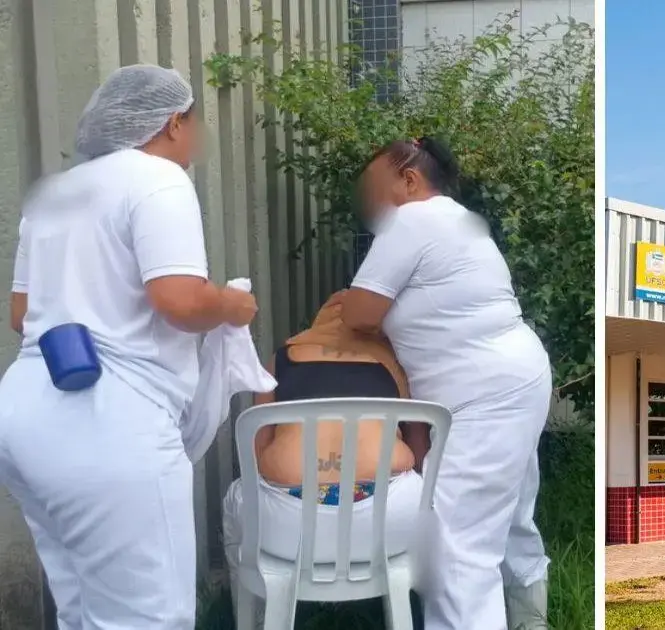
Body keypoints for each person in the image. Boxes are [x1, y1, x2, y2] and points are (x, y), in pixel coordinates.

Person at [0, 65, 258, 629]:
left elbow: (23, 315)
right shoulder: (158, 178)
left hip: (24, 414)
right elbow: (181, 301)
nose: (197, 140)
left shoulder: (55, 194)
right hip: (106, 424)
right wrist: (233, 307)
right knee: (150, 618)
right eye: (195, 124)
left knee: (83, 610)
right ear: (172, 123)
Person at [343, 137, 553, 630]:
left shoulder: (414, 218)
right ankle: (530, 619)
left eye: (377, 188)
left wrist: (353, 303)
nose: (372, 205)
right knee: (508, 516)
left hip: (487, 394)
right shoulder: (455, 219)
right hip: (509, 381)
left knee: (455, 539)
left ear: (410, 179)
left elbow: (359, 313)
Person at [221, 293, 429, 575]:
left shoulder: (281, 359)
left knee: (237, 494)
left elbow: (256, 451)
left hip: (288, 524)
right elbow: (420, 454)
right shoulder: (394, 365)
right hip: (384, 516)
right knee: (424, 488)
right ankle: (415, 595)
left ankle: (254, 608)